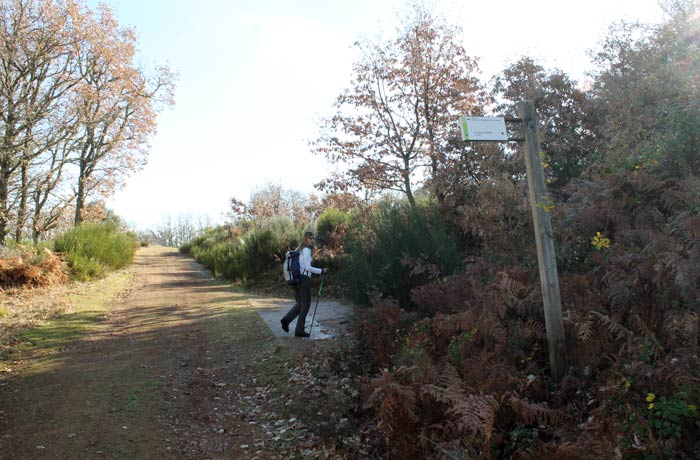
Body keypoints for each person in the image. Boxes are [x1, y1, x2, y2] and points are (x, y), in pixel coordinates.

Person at [280, 231, 328, 338]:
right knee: (305, 304)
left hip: (297, 279)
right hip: (304, 279)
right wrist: (321, 271)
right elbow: (307, 267)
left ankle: (286, 320)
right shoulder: (306, 250)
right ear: (306, 239)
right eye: (310, 238)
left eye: (313, 238)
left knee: (301, 303)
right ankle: (299, 330)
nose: (312, 240)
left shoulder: (300, 249)